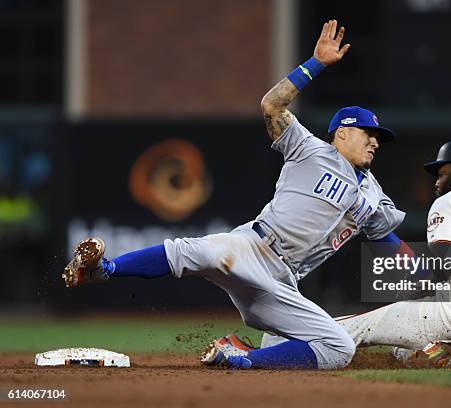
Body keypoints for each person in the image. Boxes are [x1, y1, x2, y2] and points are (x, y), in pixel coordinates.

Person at [62, 20, 407, 370]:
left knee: (339, 348)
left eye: (379, 137)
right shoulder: (310, 149)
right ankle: (101, 271)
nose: (376, 141)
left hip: (283, 283)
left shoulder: (375, 195)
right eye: (368, 132)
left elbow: (385, 234)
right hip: (253, 247)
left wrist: (422, 267)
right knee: (189, 250)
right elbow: (272, 105)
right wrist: (315, 64)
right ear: (342, 134)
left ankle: (241, 358)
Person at [255, 140, 451, 368]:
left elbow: (441, 269)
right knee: (401, 348)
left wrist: (408, 287)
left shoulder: (450, 202)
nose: (437, 181)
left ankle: (262, 355)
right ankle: (435, 353)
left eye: (442, 173)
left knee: (355, 327)